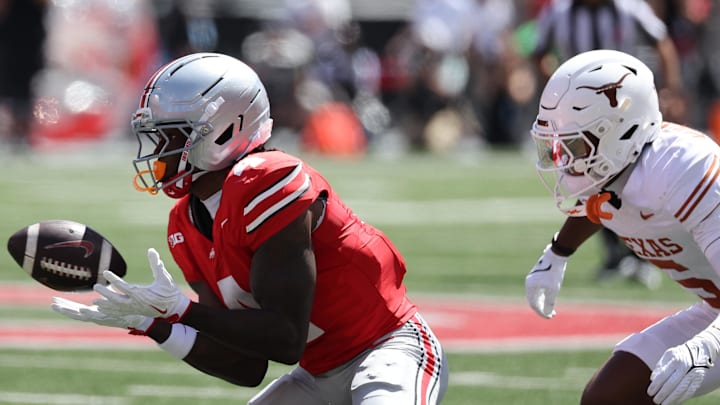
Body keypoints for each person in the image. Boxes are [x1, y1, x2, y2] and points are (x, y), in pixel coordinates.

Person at [51, 52, 448, 404]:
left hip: (387, 349)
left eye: (169, 136)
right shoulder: (184, 224)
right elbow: (245, 365)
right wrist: (153, 324)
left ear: (223, 130)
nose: (156, 152)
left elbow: (286, 338)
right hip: (316, 376)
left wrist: (181, 310)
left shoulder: (268, 181)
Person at [525, 49, 720, 404]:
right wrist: (557, 252)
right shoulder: (615, 168)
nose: (564, 161)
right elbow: (600, 203)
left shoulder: (682, 170)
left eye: (574, 145)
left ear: (618, 132)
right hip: (716, 304)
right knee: (607, 398)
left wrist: (709, 344)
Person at [530, 0, 685, 288]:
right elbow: (537, 50)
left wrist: (671, 90)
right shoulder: (559, 12)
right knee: (589, 178)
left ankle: (640, 254)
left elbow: (662, 43)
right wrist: (557, 96)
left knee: (631, 175)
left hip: (623, 111)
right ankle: (615, 254)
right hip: (579, 118)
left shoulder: (629, 8)